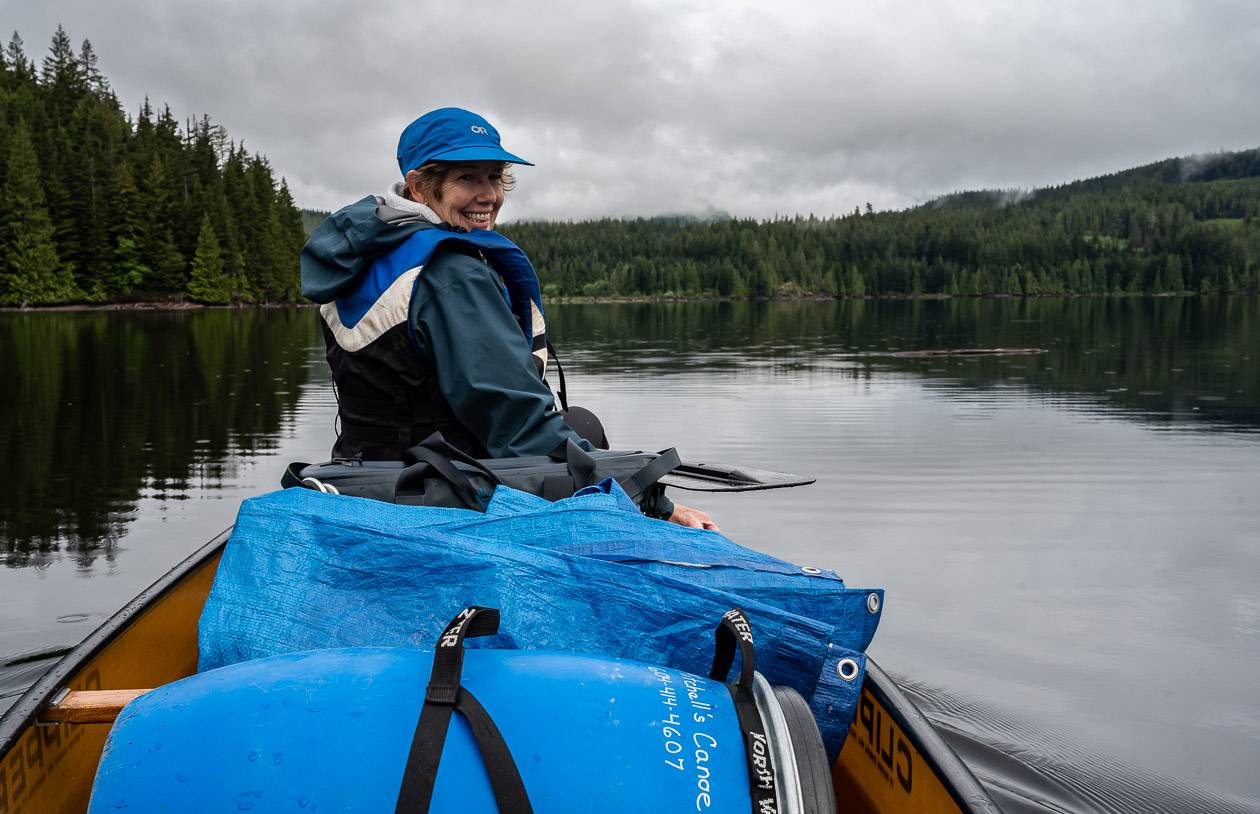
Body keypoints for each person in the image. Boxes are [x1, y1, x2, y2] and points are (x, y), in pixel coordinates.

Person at [301, 107, 716, 530]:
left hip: (367, 469)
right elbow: (517, 420)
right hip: (439, 488)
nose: (489, 196)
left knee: (578, 424)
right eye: (468, 178)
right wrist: (650, 505)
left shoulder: (368, 252)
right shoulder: (451, 274)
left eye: (494, 177)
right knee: (580, 429)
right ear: (419, 187)